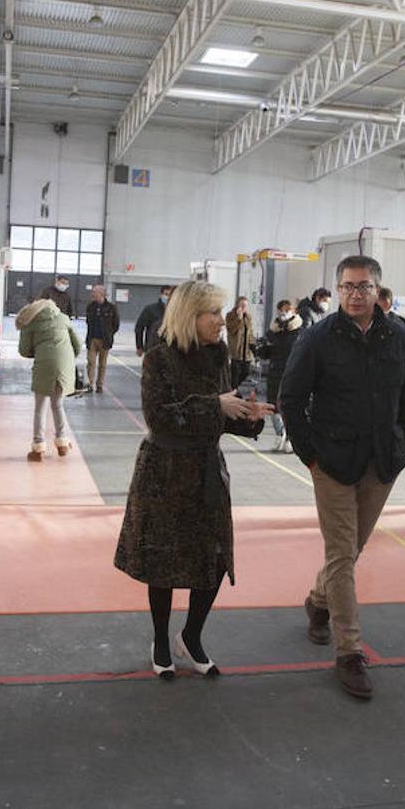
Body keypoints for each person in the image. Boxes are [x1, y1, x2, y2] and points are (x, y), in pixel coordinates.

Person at [114, 281, 272, 679]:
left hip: (206, 473)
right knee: (163, 561)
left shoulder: (217, 358)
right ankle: (162, 640)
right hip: (164, 472)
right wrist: (213, 404)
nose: (223, 320)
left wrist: (247, 418)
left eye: (221, 313)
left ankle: (192, 634)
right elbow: (160, 417)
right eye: (214, 314)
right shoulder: (159, 359)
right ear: (191, 316)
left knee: (215, 558)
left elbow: (219, 415)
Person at [279, 256, 405, 700]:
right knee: (341, 551)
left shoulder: (399, 337)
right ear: (337, 291)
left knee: (353, 547)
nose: (355, 294)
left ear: (378, 290)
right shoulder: (318, 337)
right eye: (347, 287)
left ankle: (318, 601)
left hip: (382, 461)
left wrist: (404, 444)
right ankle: (349, 652)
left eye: (363, 286)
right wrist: (310, 456)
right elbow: (291, 396)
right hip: (333, 462)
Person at [14, 298, 82, 461]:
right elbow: (78, 345)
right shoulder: (63, 318)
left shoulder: (29, 322)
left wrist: (39, 351)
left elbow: (23, 350)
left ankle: (38, 447)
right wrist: (67, 358)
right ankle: (62, 443)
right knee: (58, 404)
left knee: (40, 407)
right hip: (64, 364)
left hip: (44, 364)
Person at [260, 299, 303, 451]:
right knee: (273, 406)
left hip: (292, 373)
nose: (285, 313)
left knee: (289, 406)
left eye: (288, 309)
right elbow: (265, 352)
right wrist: (260, 348)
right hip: (274, 371)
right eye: (282, 310)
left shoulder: (300, 331)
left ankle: (290, 439)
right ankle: (280, 434)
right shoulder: (273, 331)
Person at [83, 285, 120, 395]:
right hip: (92, 338)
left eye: (95, 292)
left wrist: (109, 334)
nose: (92, 294)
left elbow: (116, 324)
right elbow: (88, 322)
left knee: (102, 364)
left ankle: (99, 385)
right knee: (91, 362)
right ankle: (90, 384)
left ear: (101, 293)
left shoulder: (111, 308)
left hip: (105, 340)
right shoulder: (90, 306)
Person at [225, 296, 256, 388]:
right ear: (237, 305)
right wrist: (238, 319)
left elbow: (250, 332)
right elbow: (232, 330)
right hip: (236, 350)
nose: (244, 308)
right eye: (242, 305)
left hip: (246, 351)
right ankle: (234, 391)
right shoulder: (230, 315)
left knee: (246, 372)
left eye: (246, 306)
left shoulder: (248, 317)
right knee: (235, 375)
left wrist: (253, 344)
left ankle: (237, 389)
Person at [134, 285, 174, 356]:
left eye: (170, 295)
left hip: (170, 350)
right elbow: (139, 328)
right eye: (166, 294)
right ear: (160, 295)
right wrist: (139, 346)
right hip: (152, 348)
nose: (168, 297)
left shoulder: (175, 311)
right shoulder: (150, 309)